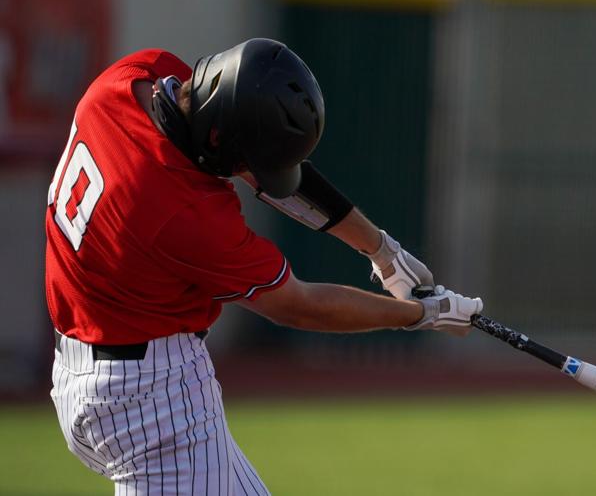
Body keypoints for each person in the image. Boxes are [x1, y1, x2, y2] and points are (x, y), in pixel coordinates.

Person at [46, 38, 482, 495]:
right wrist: (420, 315)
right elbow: (300, 305)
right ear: (218, 140)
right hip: (151, 405)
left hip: (92, 373)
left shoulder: (130, 78)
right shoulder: (182, 211)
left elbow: (259, 163)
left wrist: (383, 251)